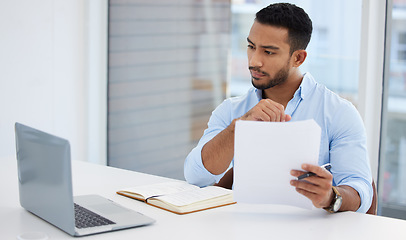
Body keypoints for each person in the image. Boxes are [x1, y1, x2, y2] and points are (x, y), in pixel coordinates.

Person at [184, 3, 373, 213]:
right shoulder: (231, 110)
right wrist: (238, 128)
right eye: (251, 46)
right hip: (239, 228)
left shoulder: (339, 113)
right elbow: (195, 177)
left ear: (298, 58)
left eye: (269, 52)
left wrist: (330, 197)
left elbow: (361, 191)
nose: (254, 61)